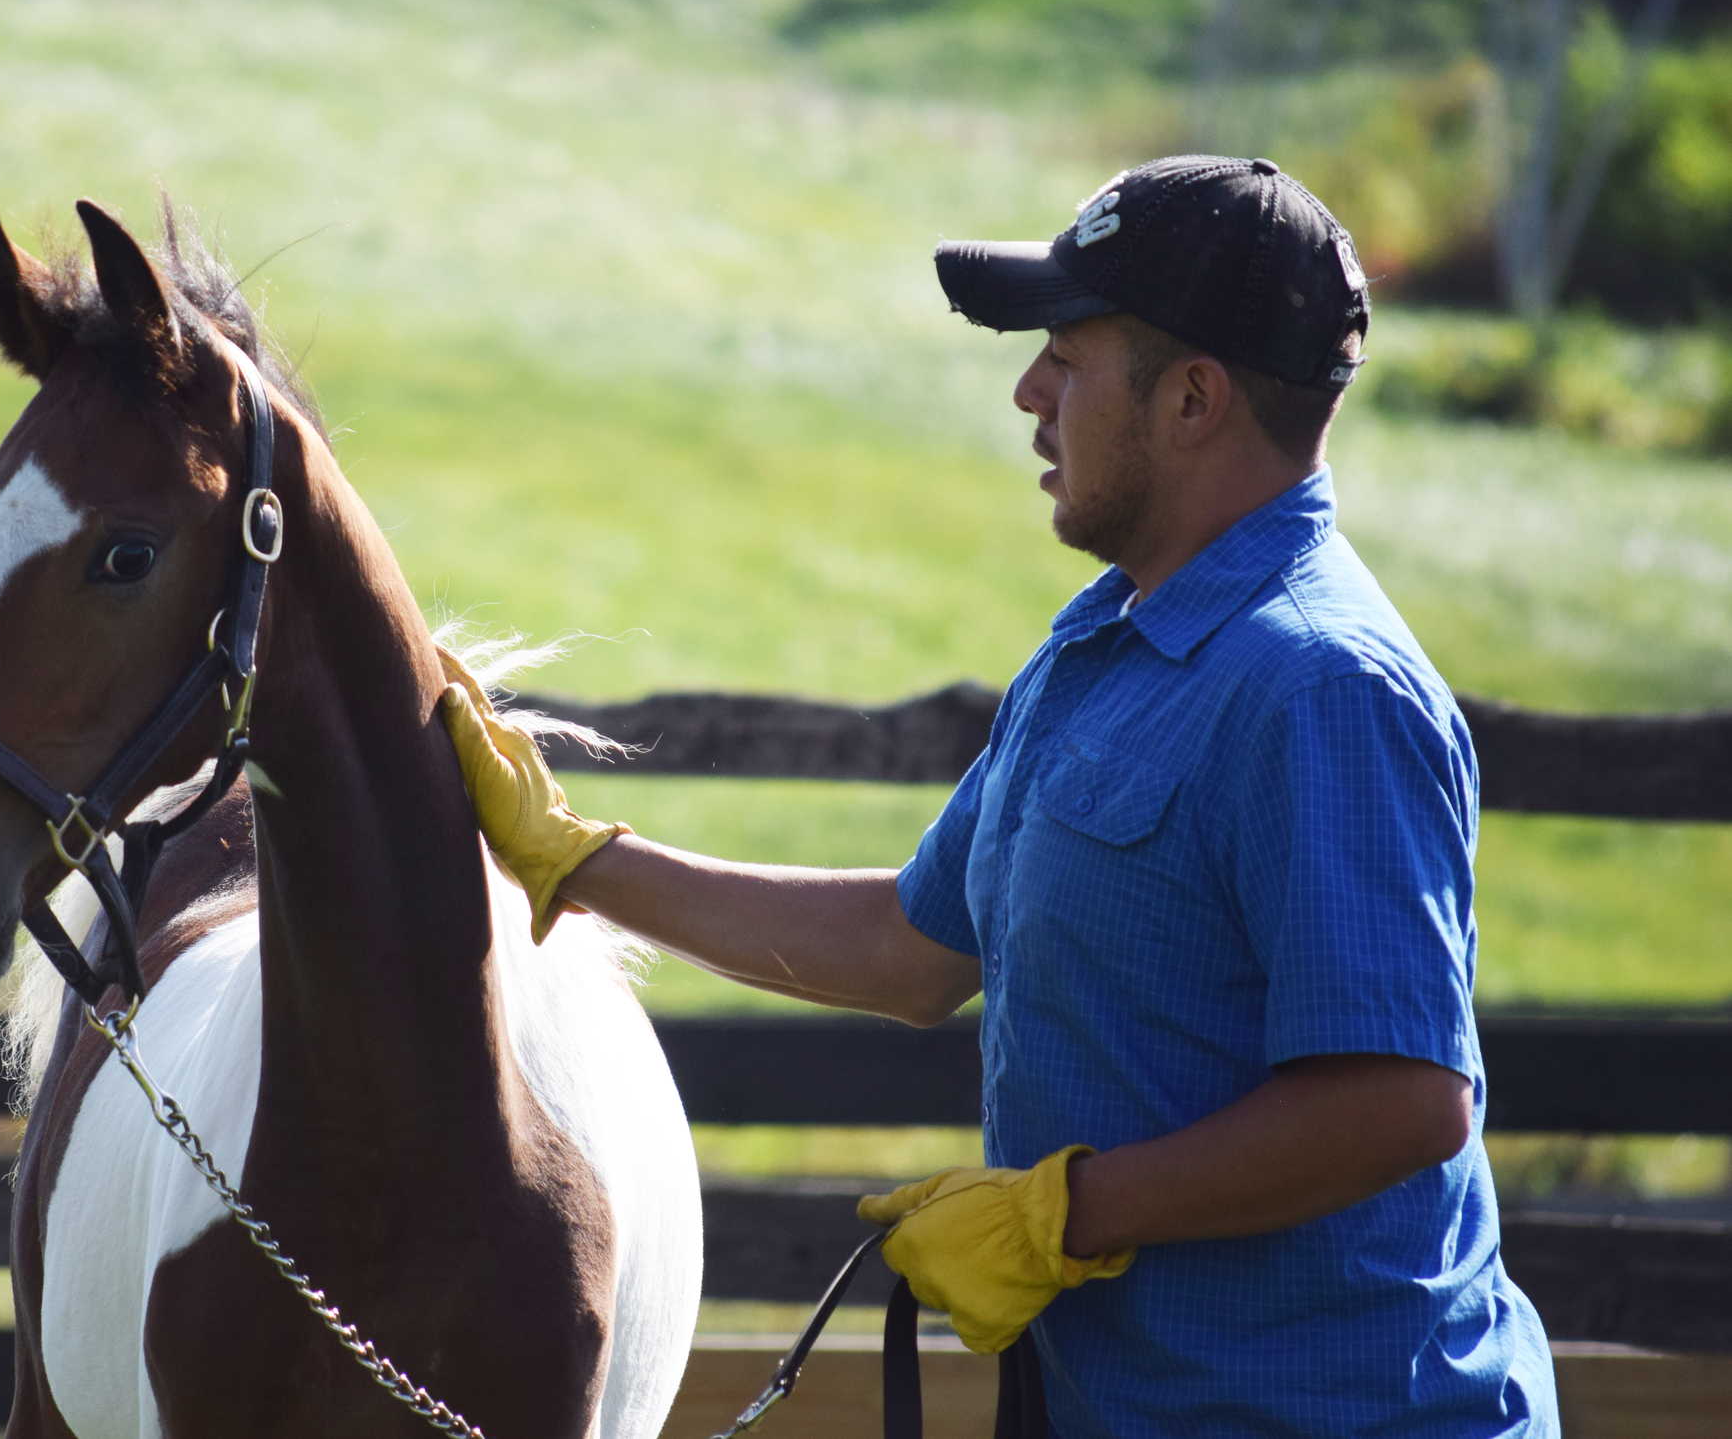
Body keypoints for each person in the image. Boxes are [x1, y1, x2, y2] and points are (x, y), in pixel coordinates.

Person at [440, 156, 1558, 1436]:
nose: (1028, 393)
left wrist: (1062, 1213)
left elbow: (1400, 1102)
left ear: (1193, 398)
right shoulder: (1107, 641)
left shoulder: (1320, 689)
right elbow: (909, 946)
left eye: (1068, 360)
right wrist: (573, 859)